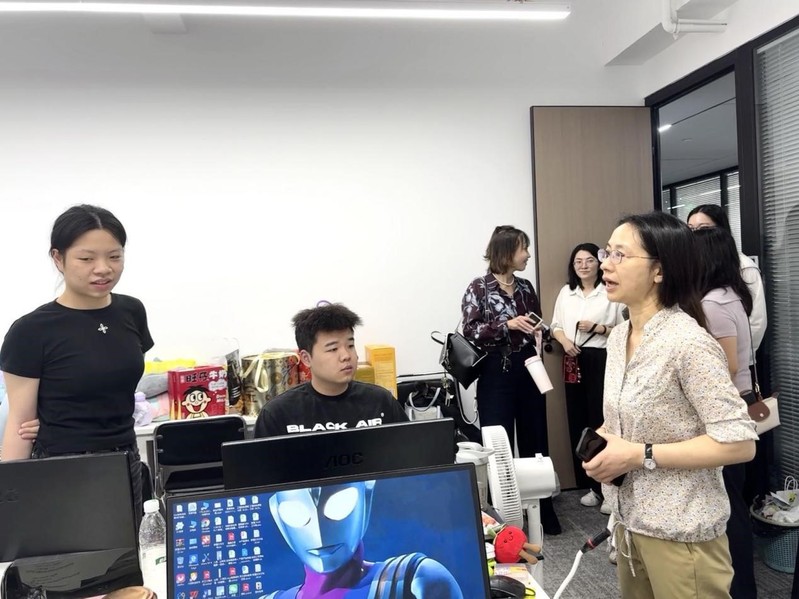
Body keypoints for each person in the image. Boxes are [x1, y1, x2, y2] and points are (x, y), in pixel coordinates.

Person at [585, 211, 757, 598]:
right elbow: (626, 419)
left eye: (620, 255)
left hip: (682, 532)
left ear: (659, 271)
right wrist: (606, 440)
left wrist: (639, 454)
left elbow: (740, 443)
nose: (605, 264)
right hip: (631, 522)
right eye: (606, 252)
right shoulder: (619, 337)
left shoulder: (688, 343)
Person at [0, 204, 154, 527]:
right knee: (69, 557)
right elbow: (20, 424)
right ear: (58, 258)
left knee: (130, 554)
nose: (103, 269)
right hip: (63, 467)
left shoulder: (131, 312)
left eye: (114, 256)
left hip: (125, 460)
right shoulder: (31, 330)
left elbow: (113, 382)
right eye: (86, 259)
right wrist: (10, 504)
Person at [461, 225, 561, 535]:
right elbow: (470, 330)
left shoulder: (526, 287)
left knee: (536, 438)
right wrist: (508, 325)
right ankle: (499, 517)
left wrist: (541, 329)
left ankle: (543, 511)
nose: (528, 255)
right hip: (495, 371)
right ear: (506, 252)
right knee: (497, 443)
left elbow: (536, 321)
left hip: (529, 367)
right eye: (523, 249)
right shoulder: (479, 288)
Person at [265, 479, 463, 598]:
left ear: (365, 499)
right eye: (296, 514)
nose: (319, 531)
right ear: (277, 516)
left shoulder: (415, 579)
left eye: (339, 506)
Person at [695, 226, 758, 599]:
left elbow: (728, 365)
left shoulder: (713, 304)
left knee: (729, 505)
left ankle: (740, 589)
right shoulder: (730, 295)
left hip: (728, 410)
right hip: (740, 403)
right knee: (732, 500)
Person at [254, 303, 407, 438]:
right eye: (333, 349)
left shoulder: (381, 402)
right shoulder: (277, 414)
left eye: (350, 346)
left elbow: (409, 454)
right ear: (306, 358)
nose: (346, 356)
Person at [550, 242, 625, 515]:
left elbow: (625, 329)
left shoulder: (610, 290)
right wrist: (564, 341)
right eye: (578, 261)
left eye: (589, 260)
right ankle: (589, 486)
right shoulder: (566, 292)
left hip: (601, 359)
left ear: (600, 262)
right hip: (572, 357)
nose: (583, 265)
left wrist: (598, 328)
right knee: (577, 419)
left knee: (601, 420)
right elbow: (555, 325)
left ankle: (609, 488)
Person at [687, 204, 767, 350]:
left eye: (703, 228)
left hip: (734, 354)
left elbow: (757, 322)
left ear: (720, 230)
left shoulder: (744, 266)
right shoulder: (692, 265)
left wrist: (743, 354)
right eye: (691, 229)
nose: (696, 234)